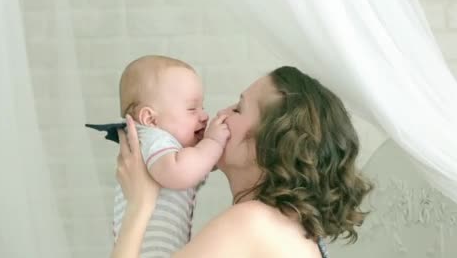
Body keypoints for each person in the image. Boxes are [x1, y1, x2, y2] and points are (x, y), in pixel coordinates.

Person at [112, 66, 373, 258]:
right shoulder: (288, 228)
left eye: (238, 109)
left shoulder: (252, 223)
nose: (219, 114)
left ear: (268, 146)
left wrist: (139, 204)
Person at [88, 55, 229, 257]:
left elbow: (198, 164)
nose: (204, 115)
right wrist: (213, 143)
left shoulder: (161, 143)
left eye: (202, 107)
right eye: (192, 109)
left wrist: (210, 151)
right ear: (150, 119)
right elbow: (180, 172)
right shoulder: (154, 139)